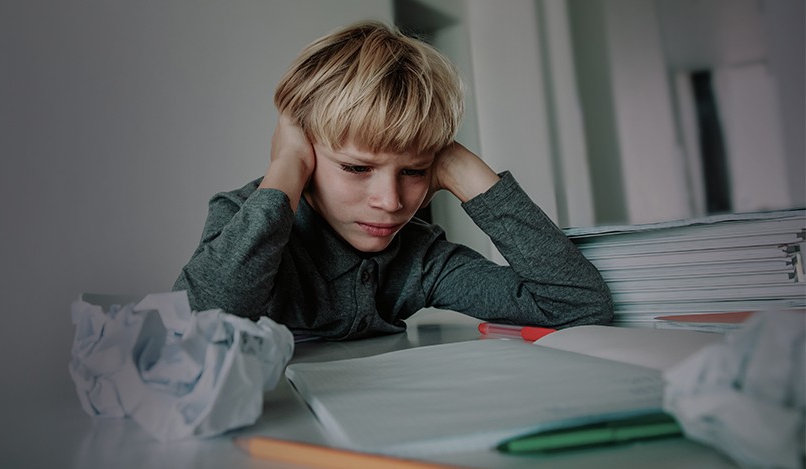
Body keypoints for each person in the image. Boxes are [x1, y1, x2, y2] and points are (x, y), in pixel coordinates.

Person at [173, 21, 613, 340]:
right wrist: (286, 167)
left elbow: (578, 306)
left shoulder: (419, 259)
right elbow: (194, 323)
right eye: (356, 168)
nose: (390, 201)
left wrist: (470, 175)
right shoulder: (245, 218)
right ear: (306, 153)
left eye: (414, 172)